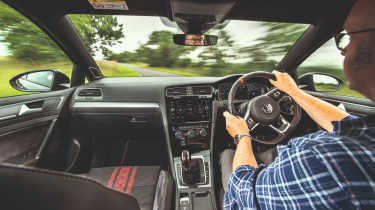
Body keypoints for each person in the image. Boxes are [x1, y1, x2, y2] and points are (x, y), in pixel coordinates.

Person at [222, 0, 375, 209]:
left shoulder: (326, 162)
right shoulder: (365, 139)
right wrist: (294, 92)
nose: (343, 50)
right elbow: (348, 125)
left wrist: (242, 135)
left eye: (348, 36)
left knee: (226, 156)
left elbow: (243, 187)